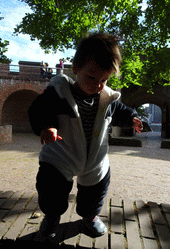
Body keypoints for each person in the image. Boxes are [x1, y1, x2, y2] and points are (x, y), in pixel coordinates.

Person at [28, 32, 143, 239]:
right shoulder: (59, 93)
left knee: (95, 191)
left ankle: (89, 216)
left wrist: (133, 117)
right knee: (51, 189)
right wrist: (48, 126)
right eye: (91, 77)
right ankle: (52, 217)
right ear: (76, 68)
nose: (97, 85)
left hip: (94, 160)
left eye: (104, 80)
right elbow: (39, 109)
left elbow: (120, 110)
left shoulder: (107, 99)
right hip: (60, 157)